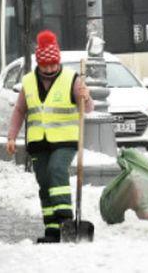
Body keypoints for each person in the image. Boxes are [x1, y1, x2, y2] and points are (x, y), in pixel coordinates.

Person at [6, 30, 94, 243]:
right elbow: (19, 110)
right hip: (38, 142)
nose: (51, 68)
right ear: (39, 63)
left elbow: (88, 109)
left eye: (54, 64)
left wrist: (86, 96)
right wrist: (11, 137)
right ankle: (52, 229)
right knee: (45, 182)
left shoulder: (72, 79)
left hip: (65, 140)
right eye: (46, 65)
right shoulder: (28, 82)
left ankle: (66, 221)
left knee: (56, 170)